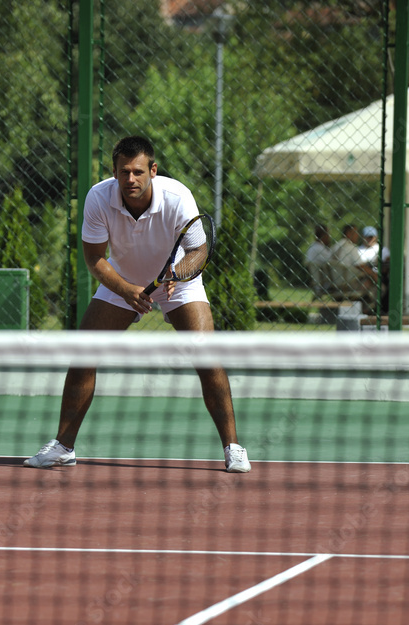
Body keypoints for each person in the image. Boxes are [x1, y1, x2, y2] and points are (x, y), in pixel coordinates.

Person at [25, 135, 250, 473]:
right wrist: (128, 290)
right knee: (84, 354)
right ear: (114, 172)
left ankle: (233, 448)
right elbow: (94, 259)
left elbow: (198, 251)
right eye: (124, 172)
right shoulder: (98, 198)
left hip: (177, 280)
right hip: (122, 279)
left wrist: (178, 273)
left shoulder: (178, 198)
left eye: (138, 172)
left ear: (153, 170)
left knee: (207, 354)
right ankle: (63, 446)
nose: (130, 179)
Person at [328, 223, 377, 301]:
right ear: (348, 234)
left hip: (335, 282)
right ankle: (369, 308)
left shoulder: (335, 246)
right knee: (373, 282)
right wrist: (375, 276)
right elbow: (361, 266)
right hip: (349, 283)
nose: (358, 236)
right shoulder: (350, 247)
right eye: (355, 233)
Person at [304, 224, 332, 297]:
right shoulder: (320, 249)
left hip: (317, 281)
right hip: (325, 283)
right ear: (324, 235)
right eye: (328, 234)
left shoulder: (312, 247)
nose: (329, 237)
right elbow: (332, 262)